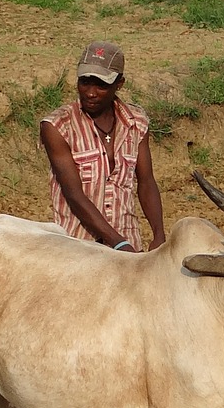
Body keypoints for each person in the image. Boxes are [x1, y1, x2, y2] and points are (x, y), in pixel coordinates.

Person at [40, 40, 166, 252]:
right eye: (85, 82)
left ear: (119, 84)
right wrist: (117, 243)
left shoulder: (136, 123)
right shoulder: (58, 126)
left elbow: (146, 181)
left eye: (101, 85)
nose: (90, 93)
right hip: (78, 246)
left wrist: (159, 234)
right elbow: (74, 194)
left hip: (128, 242)